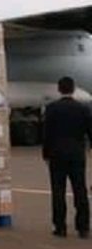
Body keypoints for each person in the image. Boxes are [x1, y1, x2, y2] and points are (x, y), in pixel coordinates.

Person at [42, 76, 92, 238]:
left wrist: (46, 153)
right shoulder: (83, 108)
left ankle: (60, 227)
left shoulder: (51, 108)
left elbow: (47, 133)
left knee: (58, 191)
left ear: (59, 89)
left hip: (57, 154)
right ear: (73, 89)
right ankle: (83, 227)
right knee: (80, 190)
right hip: (77, 153)